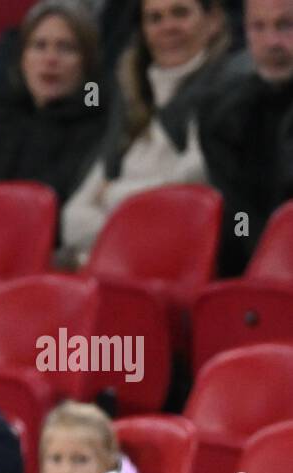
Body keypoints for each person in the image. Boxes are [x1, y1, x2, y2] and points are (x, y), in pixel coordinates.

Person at [59, 0, 233, 265]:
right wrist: (137, 221)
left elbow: (196, 178)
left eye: (180, 13)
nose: (168, 27)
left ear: (213, 21)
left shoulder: (225, 93)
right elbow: (72, 221)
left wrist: (114, 195)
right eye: (154, 18)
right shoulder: (131, 104)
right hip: (106, 273)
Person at [0, 1, 110, 205]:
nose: (50, 59)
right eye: (39, 45)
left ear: (87, 62)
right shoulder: (7, 116)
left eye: (65, 48)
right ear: (22, 59)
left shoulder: (97, 127)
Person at [200, 0, 293, 275]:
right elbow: (240, 217)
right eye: (258, 27)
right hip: (254, 273)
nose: (272, 42)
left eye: (286, 25)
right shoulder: (225, 116)